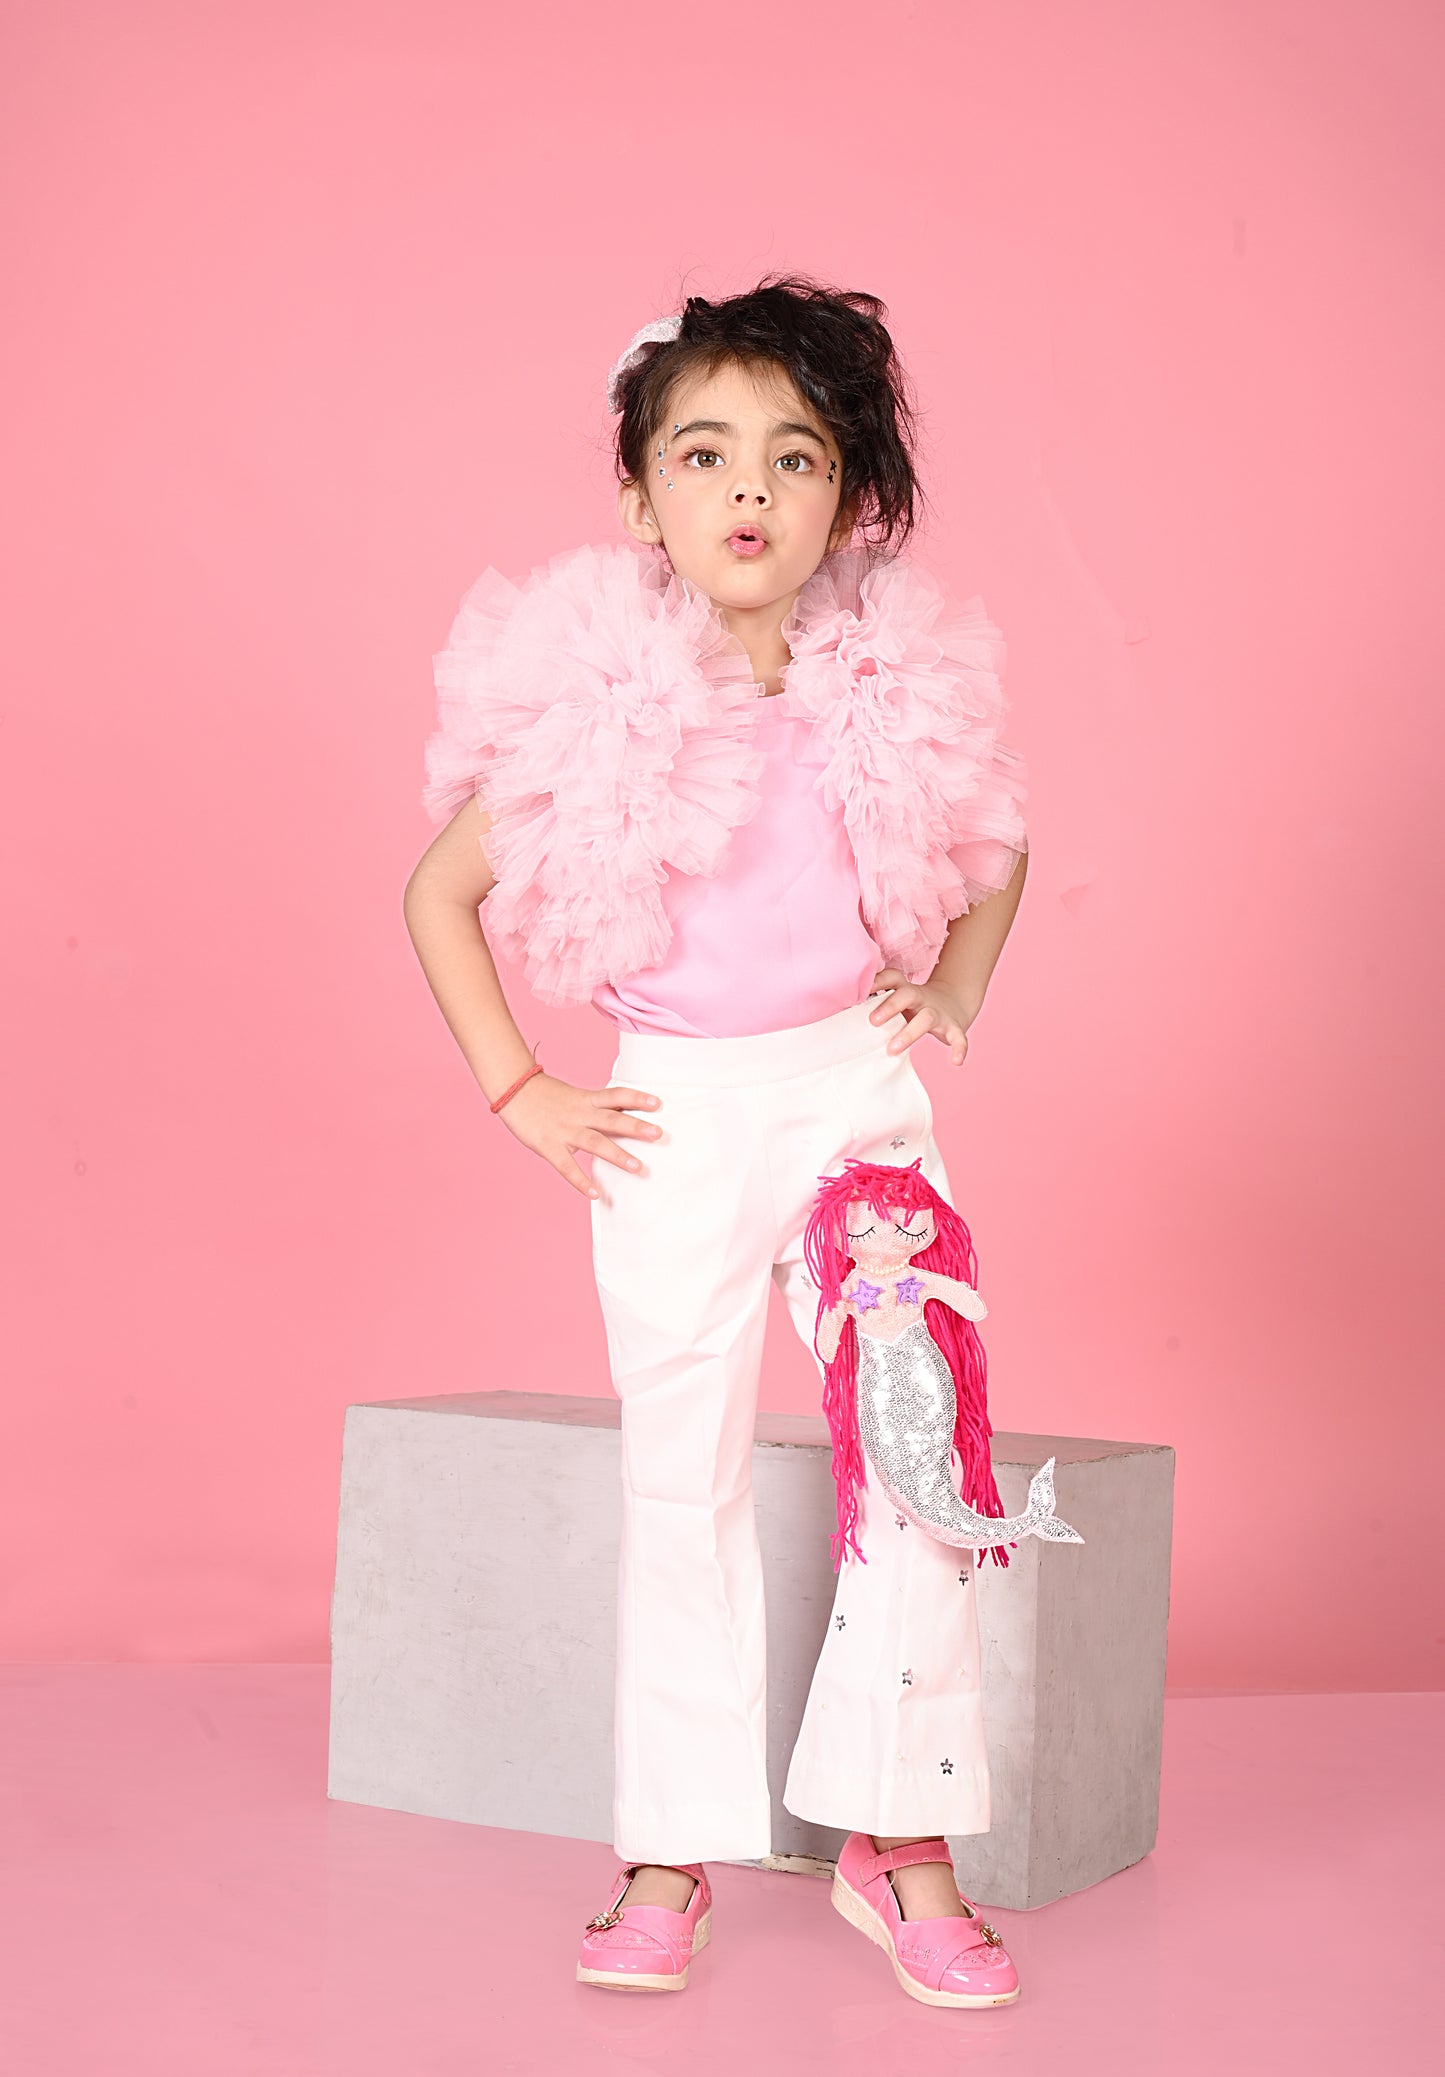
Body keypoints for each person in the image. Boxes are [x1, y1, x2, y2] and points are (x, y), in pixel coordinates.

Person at [403, 276, 1034, 2008]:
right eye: (703, 452)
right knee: (674, 1479)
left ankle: (901, 1839)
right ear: (640, 496)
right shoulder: (589, 701)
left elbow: (1003, 849)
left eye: (794, 455)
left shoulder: (880, 690)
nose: (746, 487)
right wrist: (521, 1088)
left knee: (917, 1454)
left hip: (855, 1107)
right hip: (676, 1116)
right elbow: (437, 893)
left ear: (843, 501)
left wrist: (949, 996)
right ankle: (670, 1846)